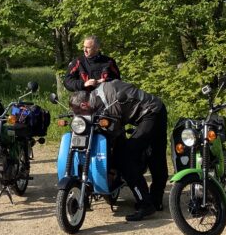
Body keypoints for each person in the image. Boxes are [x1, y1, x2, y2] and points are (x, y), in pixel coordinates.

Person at [71, 78, 168, 222]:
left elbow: (115, 129)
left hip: (152, 112)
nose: (79, 115)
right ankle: (153, 200)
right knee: (127, 153)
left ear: (84, 105)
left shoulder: (107, 99)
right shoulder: (94, 100)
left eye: (78, 112)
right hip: (137, 116)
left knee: (136, 157)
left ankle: (148, 204)